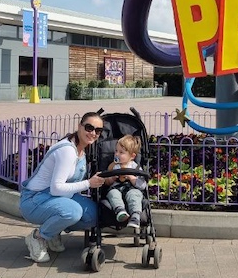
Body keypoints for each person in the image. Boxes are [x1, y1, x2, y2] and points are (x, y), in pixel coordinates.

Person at [19, 112, 106, 263]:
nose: (93, 133)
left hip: (55, 197)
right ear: (79, 126)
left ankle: (52, 232)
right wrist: (88, 183)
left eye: (98, 131)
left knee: (93, 215)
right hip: (35, 200)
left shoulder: (83, 149)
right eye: (89, 127)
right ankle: (38, 237)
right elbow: (56, 188)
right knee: (73, 212)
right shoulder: (67, 151)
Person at [104, 135, 147, 229]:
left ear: (132, 156)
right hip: (116, 188)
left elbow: (142, 185)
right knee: (112, 193)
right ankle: (120, 211)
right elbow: (106, 182)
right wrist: (112, 178)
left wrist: (131, 177)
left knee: (134, 194)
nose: (116, 154)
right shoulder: (113, 166)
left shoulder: (135, 167)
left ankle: (135, 216)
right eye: (116, 151)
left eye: (121, 152)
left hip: (131, 189)